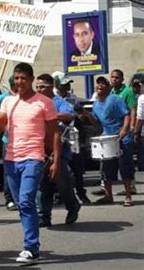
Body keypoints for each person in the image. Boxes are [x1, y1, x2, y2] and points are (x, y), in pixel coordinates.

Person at [0, 63, 61, 264]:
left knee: (27, 200)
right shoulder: (8, 102)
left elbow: (55, 132)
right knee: (22, 205)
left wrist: (56, 159)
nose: (19, 82)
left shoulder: (44, 102)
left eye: (23, 78)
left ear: (30, 79)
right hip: (11, 159)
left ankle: (31, 247)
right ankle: (31, 244)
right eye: (16, 78)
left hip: (34, 157)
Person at [35, 74, 81, 227]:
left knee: (62, 182)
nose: (39, 90)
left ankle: (72, 206)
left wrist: (51, 115)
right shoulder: (35, 103)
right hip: (40, 149)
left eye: (43, 87)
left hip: (58, 149)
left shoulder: (58, 102)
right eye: (38, 87)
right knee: (42, 184)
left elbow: (69, 115)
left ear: (51, 87)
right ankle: (44, 216)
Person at [81, 77, 134, 206]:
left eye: (103, 83)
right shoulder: (96, 104)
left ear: (108, 87)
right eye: (98, 83)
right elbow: (97, 123)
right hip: (108, 139)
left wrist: (124, 129)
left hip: (122, 138)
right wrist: (87, 116)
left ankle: (128, 196)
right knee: (106, 169)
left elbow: (126, 114)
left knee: (124, 168)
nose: (99, 85)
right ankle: (108, 196)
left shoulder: (115, 99)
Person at [53, 73, 91, 204]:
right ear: (57, 86)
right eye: (64, 84)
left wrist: (80, 116)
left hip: (72, 136)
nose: (67, 86)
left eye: (68, 84)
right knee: (60, 166)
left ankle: (81, 193)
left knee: (77, 166)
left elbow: (80, 112)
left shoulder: (73, 98)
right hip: (58, 136)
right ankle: (59, 196)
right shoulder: (53, 99)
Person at [110, 69, 138, 195]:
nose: (114, 79)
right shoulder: (110, 92)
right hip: (114, 131)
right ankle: (107, 188)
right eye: (112, 77)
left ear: (122, 79)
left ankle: (131, 185)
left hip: (125, 131)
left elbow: (133, 109)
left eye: (116, 77)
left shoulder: (127, 91)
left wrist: (131, 126)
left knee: (126, 159)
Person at [0, 76, 17, 211]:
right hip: (8, 140)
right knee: (8, 170)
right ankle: (9, 199)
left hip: (24, 141)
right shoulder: (3, 98)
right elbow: (0, 119)